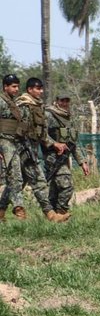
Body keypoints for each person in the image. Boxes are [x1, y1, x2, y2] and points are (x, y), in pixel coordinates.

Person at [13, 78, 69, 222]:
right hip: (23, 149)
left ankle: (1, 211)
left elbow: (40, 133)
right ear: (30, 90)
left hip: (31, 148)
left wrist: (54, 143)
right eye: (37, 88)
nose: (41, 91)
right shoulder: (24, 106)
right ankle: (51, 215)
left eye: (41, 88)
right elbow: (20, 131)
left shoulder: (36, 106)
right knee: (39, 182)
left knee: (17, 183)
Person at [44, 92, 90, 217]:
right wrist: (55, 144)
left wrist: (82, 162)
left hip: (64, 157)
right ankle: (61, 212)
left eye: (66, 101)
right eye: (62, 101)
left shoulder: (69, 117)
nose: (64, 104)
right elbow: (41, 134)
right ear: (57, 100)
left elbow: (73, 143)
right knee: (66, 186)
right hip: (52, 156)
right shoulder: (49, 114)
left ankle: (51, 217)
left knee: (55, 189)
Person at [0, 74, 28, 222]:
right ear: (5, 86)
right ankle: (19, 209)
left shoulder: (14, 104)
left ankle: (1, 210)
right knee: (15, 177)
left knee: (15, 178)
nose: (17, 89)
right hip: (4, 143)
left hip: (14, 143)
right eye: (13, 86)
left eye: (18, 86)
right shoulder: (1, 101)